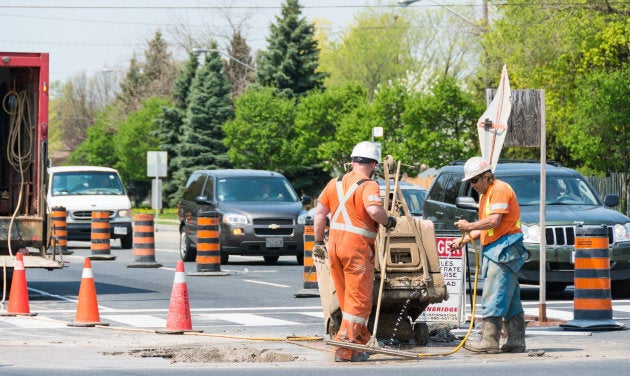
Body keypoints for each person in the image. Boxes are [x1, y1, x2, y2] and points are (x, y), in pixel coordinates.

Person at [313, 141, 396, 362]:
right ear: (374, 164)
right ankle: (344, 348)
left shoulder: (334, 183)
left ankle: (360, 345)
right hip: (356, 248)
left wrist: (319, 241)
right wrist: (388, 222)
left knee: (346, 298)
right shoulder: (369, 185)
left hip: (334, 247)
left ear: (352, 161)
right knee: (359, 300)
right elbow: (373, 209)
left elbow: (320, 213)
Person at [448, 156, 528, 354]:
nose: (472, 185)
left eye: (474, 180)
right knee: (510, 299)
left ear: (487, 176)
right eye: (470, 182)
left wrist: (468, 226)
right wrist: (463, 240)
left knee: (494, 294)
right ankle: (516, 340)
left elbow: (494, 221)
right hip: (500, 249)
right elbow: (486, 228)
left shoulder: (499, 189)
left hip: (504, 249)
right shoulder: (486, 194)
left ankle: (490, 340)